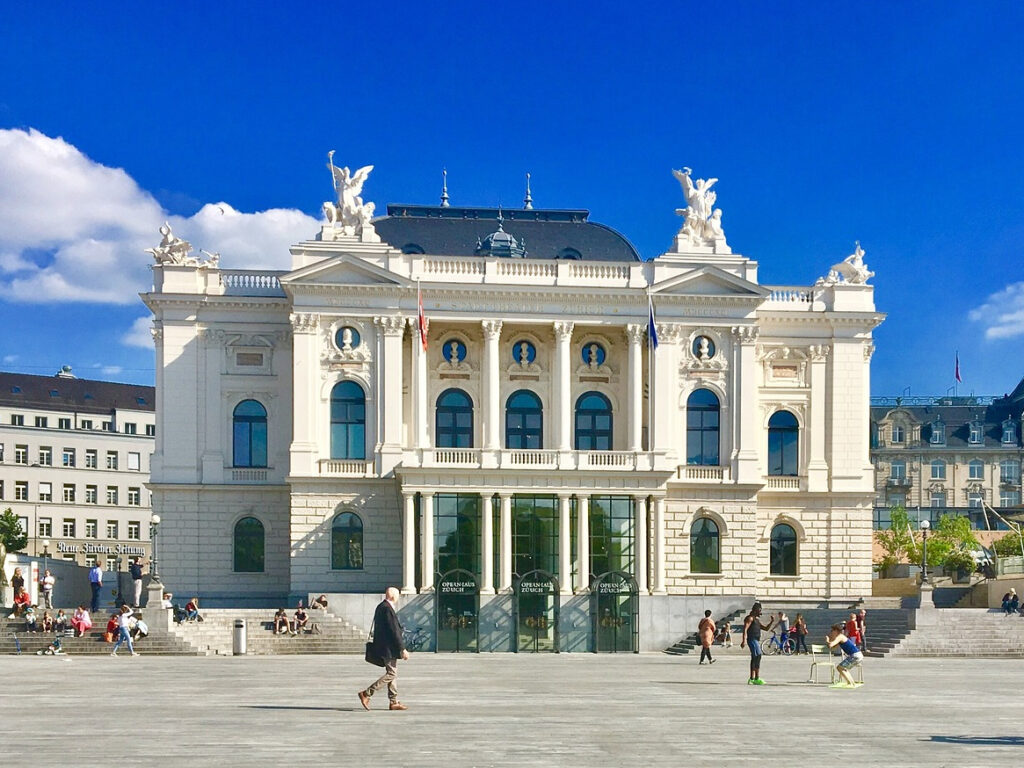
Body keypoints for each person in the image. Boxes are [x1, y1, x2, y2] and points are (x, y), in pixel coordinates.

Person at [358, 587, 411, 711]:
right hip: (388, 648)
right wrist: (402, 649)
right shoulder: (387, 608)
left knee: (393, 674)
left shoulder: (381, 606)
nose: (398, 598)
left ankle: (393, 702)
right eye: (398, 595)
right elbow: (394, 631)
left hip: (385, 646)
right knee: (392, 673)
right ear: (393, 596)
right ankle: (366, 693)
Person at [740, 602, 775, 685]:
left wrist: (771, 622)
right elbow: (745, 629)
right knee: (758, 655)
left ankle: (752, 678)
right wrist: (743, 640)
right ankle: (756, 678)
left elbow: (766, 628)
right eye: (760, 610)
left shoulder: (757, 620)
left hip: (755, 640)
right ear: (756, 610)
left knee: (755, 657)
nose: (761, 612)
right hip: (752, 640)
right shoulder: (750, 618)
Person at [826, 623, 863, 688]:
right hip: (857, 655)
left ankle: (850, 683)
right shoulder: (840, 638)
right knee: (843, 668)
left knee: (840, 668)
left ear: (836, 631)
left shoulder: (840, 636)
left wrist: (827, 640)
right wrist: (830, 640)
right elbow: (833, 648)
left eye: (832, 631)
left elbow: (830, 645)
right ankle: (851, 683)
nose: (831, 632)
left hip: (855, 655)